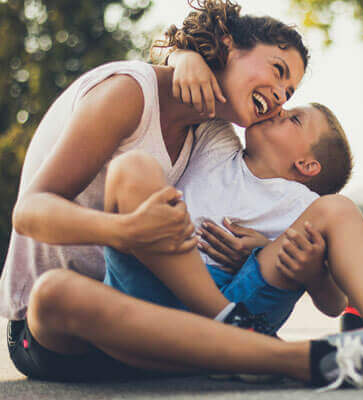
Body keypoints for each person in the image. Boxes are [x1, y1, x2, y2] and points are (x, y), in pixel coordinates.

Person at [2, 0, 310, 382]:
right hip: (58, 332)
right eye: (278, 71)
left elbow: (256, 196)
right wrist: (122, 231)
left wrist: (255, 249)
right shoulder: (128, 93)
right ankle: (263, 346)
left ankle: (240, 337)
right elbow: (29, 211)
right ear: (229, 45)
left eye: (290, 91)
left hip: (142, 312)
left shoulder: (211, 130)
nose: (281, 96)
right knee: (57, 291)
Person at [103, 101, 363, 337]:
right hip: (157, 287)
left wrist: (310, 272)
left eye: (294, 119)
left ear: (306, 165)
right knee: (132, 166)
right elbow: (207, 89)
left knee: (339, 208)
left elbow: (334, 304)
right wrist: (185, 57)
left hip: (242, 306)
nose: (281, 108)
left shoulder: (305, 207)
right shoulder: (217, 143)